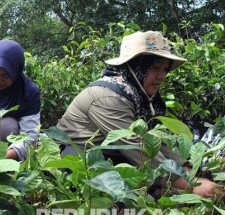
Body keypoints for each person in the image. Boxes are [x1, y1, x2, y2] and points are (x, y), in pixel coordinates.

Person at [56, 31, 221, 198]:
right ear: (135, 67)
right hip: (75, 161)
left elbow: (155, 142)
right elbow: (138, 147)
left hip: (109, 155)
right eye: (155, 67)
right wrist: (191, 186)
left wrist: (187, 170)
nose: (161, 76)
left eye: (165, 69)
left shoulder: (139, 96)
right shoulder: (108, 97)